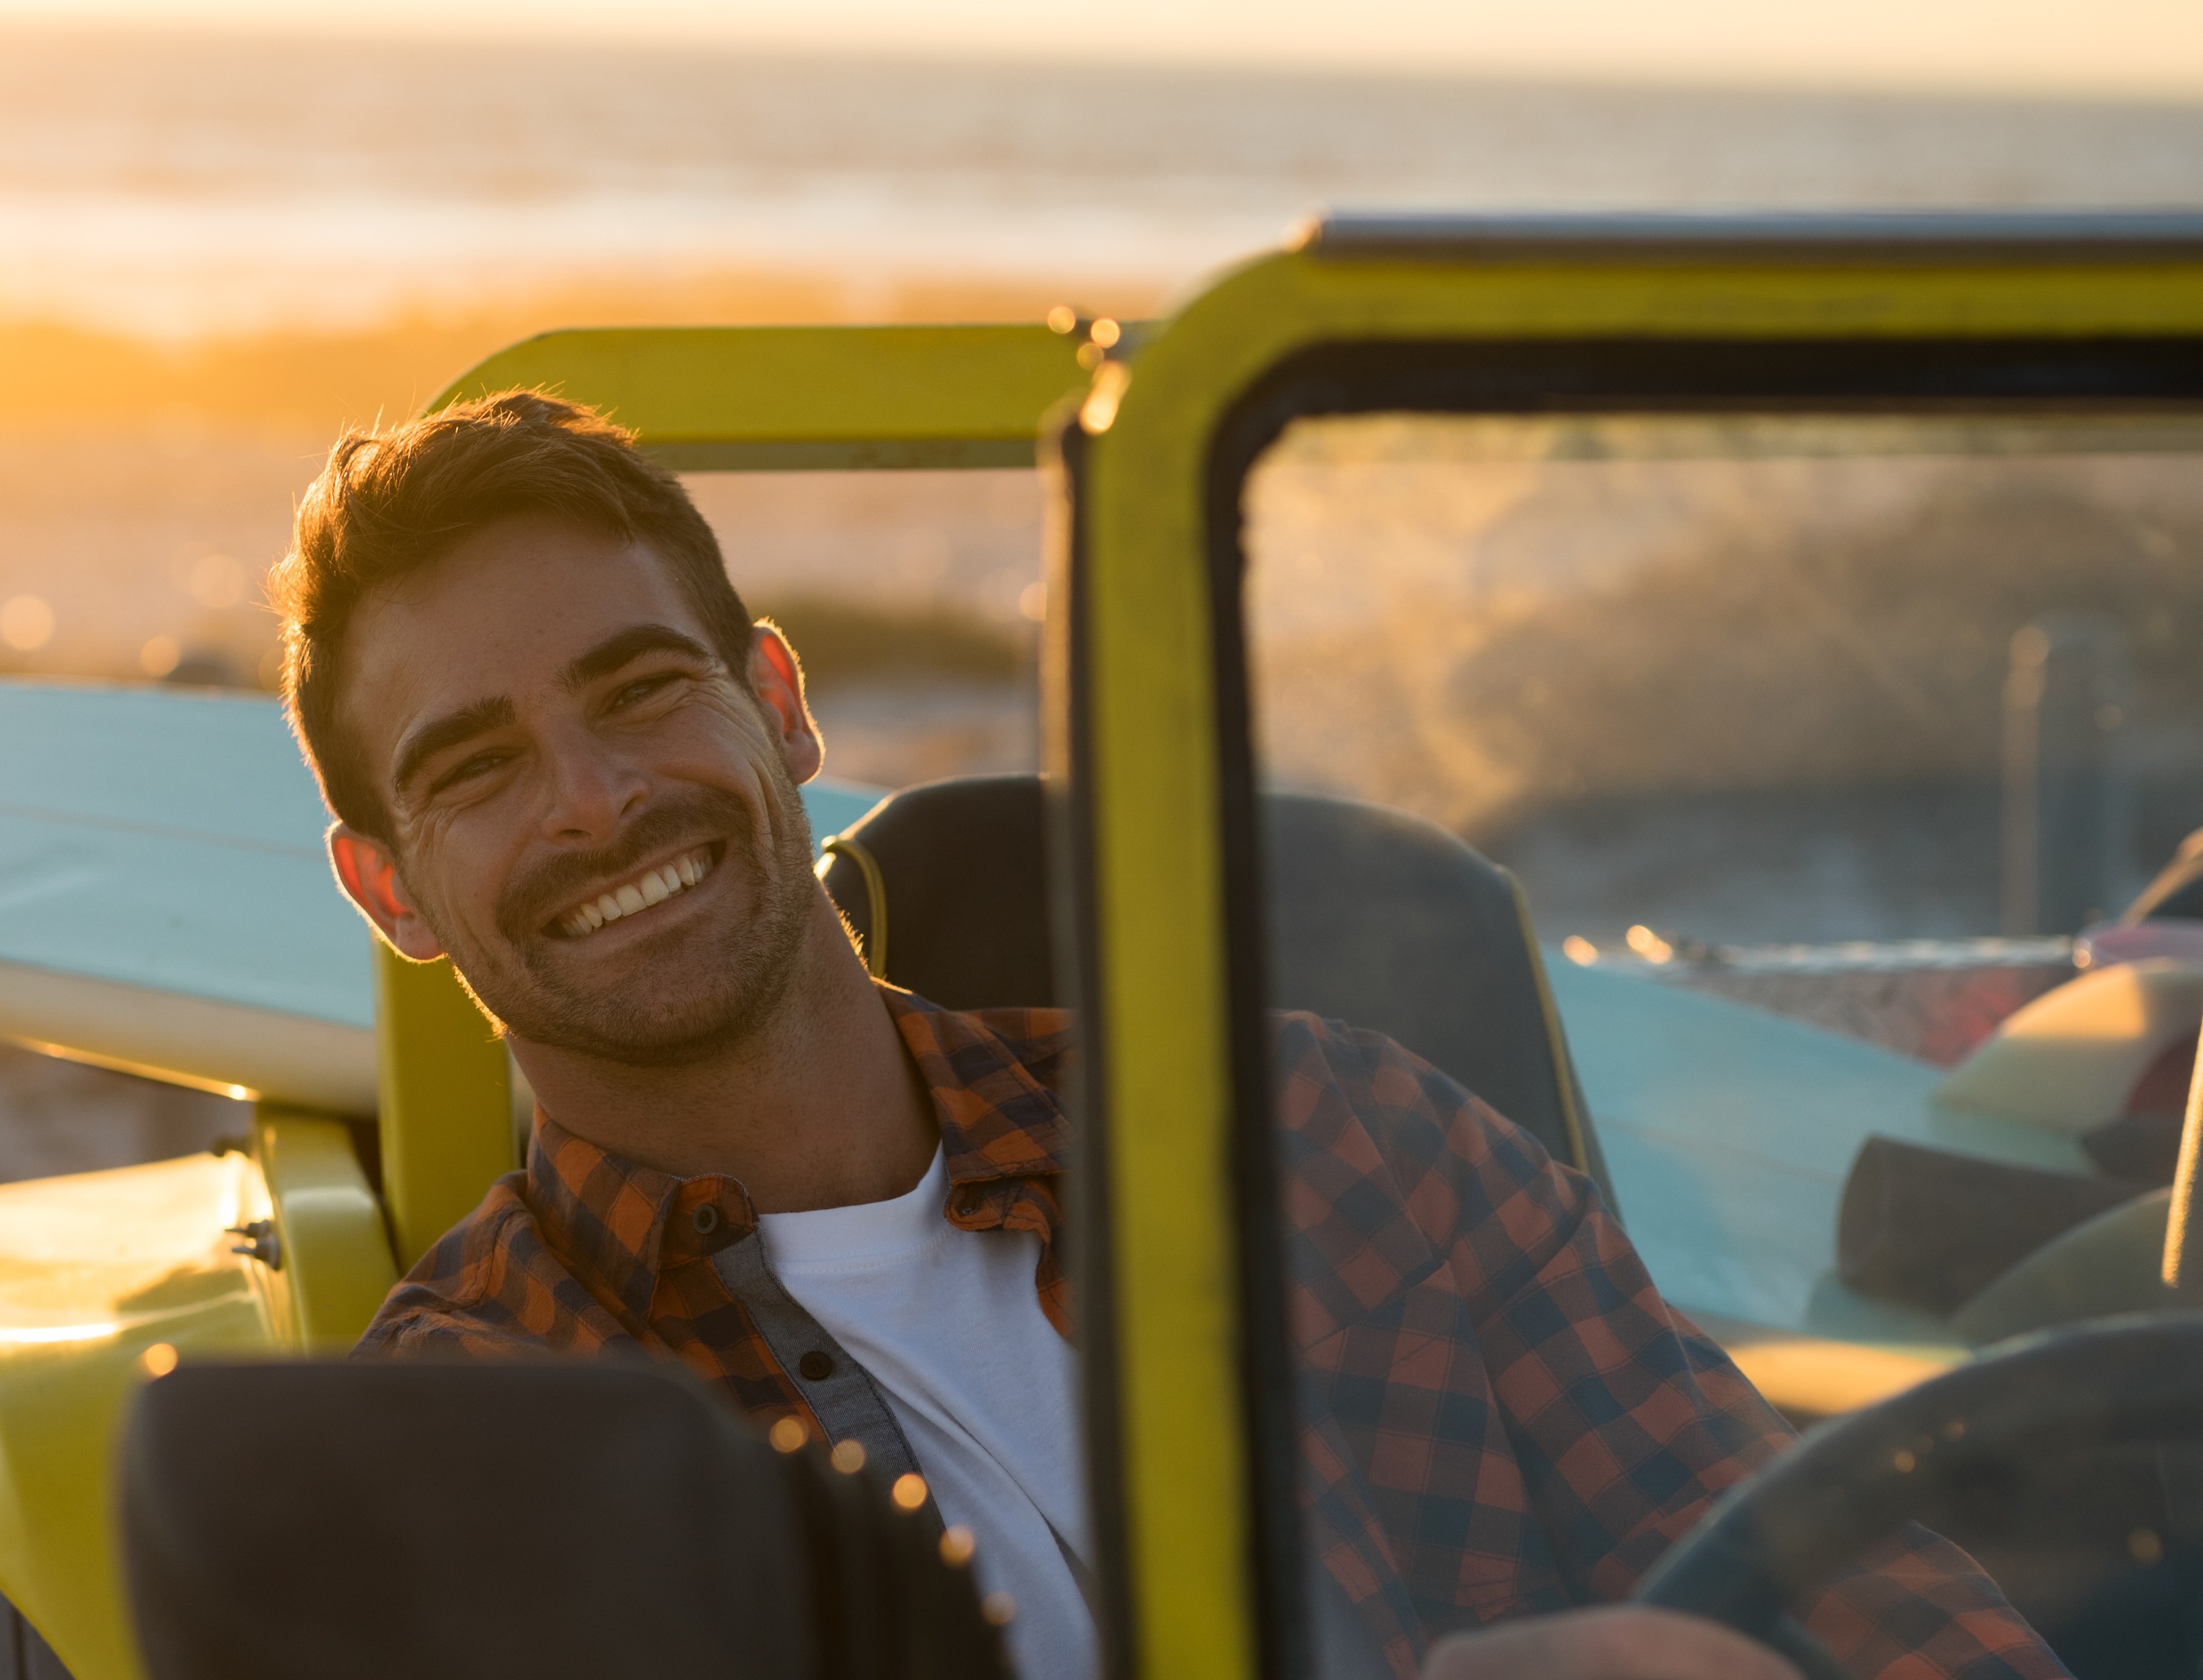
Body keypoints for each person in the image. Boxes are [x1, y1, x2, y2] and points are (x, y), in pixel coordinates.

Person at [272, 391, 2064, 1680]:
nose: (594, 803)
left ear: (781, 706)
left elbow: (1876, 1600)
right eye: (479, 768)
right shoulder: (474, 1440)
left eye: (641, 688)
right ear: (392, 893)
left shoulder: (1324, 1128)